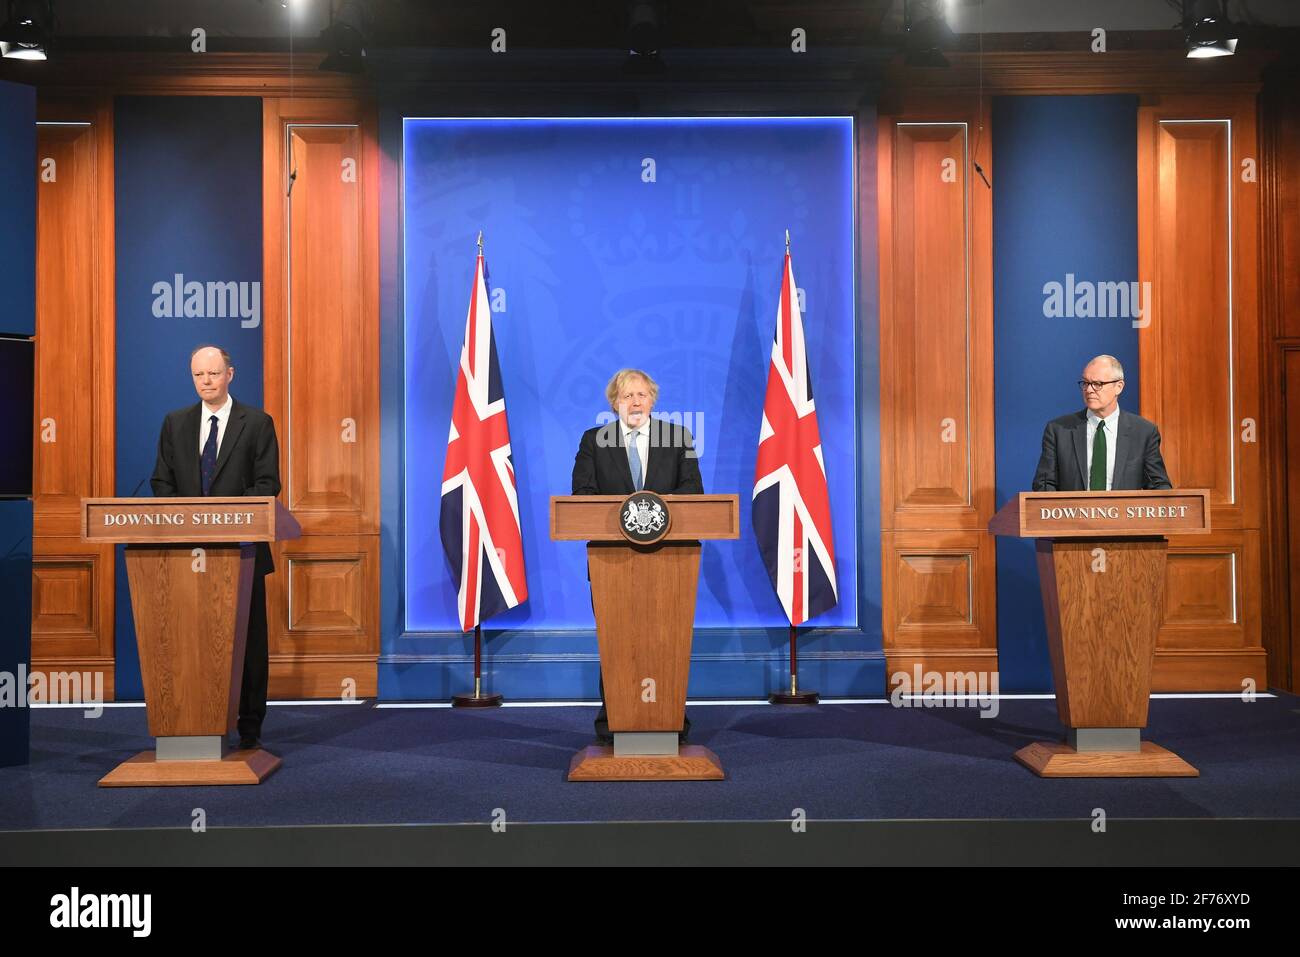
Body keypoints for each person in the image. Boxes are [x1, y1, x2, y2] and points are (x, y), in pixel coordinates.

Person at [150, 345, 282, 750]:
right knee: (190, 640)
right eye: (198, 375)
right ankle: (194, 721)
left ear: (230, 374)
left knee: (246, 643)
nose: (206, 381)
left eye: (213, 373)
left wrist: (224, 517)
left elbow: (267, 484)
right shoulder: (175, 423)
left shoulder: (257, 423)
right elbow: (161, 483)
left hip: (240, 554)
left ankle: (249, 726)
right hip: (185, 557)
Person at [571, 368, 703, 746]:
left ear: (652, 400)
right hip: (612, 563)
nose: (634, 402)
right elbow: (582, 495)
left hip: (670, 564)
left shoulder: (677, 438)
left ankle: (670, 719)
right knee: (617, 642)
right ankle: (613, 722)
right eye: (627, 395)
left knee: (667, 641)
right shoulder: (594, 441)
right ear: (614, 402)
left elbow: (694, 493)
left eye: (642, 395)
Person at [1031, 354, 1172, 492]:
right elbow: (1044, 485)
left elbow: (1159, 486)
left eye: (1097, 384)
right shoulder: (1059, 430)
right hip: (1073, 514)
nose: (1089, 390)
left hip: (1124, 515)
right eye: (1085, 383)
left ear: (1119, 387)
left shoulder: (1143, 432)